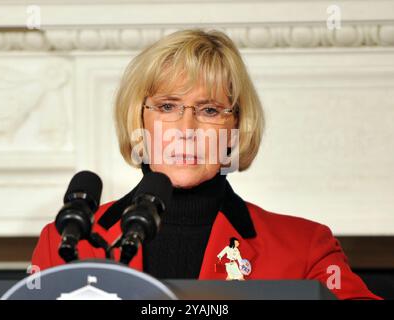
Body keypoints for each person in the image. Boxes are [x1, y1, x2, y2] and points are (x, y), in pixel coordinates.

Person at [31, 29, 381, 300]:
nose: (187, 129)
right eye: (167, 106)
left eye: (210, 110)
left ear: (235, 127)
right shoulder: (64, 242)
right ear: (138, 119)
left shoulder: (305, 247)